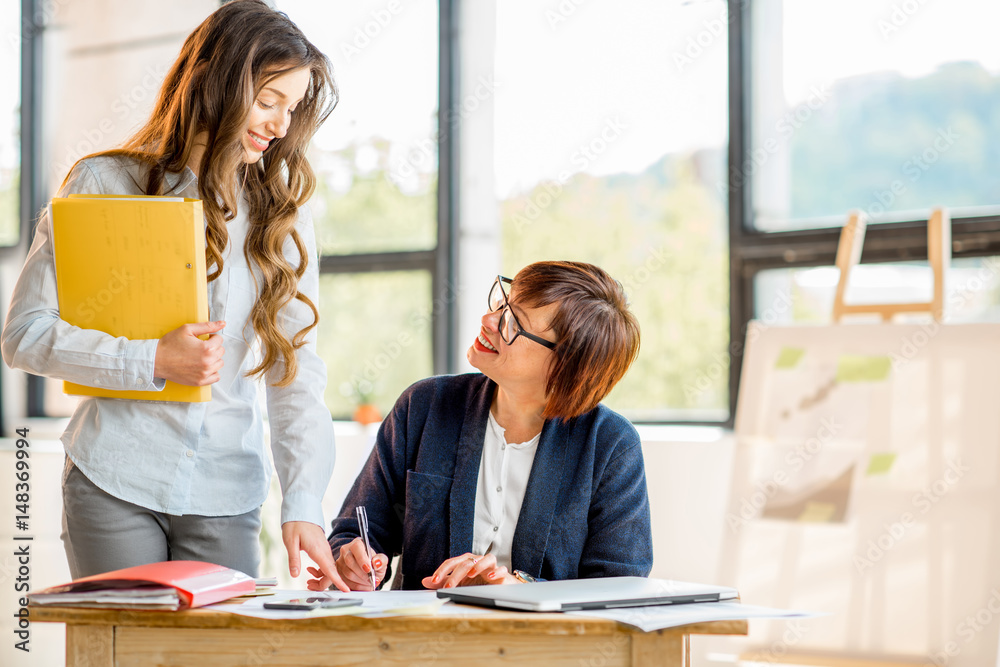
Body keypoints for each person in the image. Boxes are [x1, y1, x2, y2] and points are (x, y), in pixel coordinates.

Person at [1, 0, 348, 591]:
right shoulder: (102, 184)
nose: (281, 125)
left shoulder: (282, 216)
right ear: (217, 85)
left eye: (291, 108)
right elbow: (25, 336)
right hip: (113, 478)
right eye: (268, 102)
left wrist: (303, 500)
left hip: (227, 491)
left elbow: (296, 372)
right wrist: (154, 361)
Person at [308, 261, 652, 592]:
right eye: (501, 304)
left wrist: (518, 589)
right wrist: (353, 561)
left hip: (545, 647)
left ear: (564, 366)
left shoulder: (611, 445)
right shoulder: (425, 406)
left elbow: (619, 587)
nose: (488, 320)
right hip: (420, 639)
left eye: (512, 323)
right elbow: (355, 530)